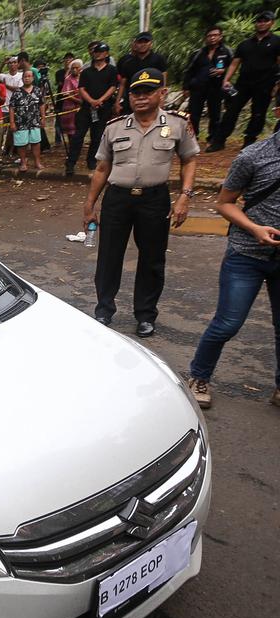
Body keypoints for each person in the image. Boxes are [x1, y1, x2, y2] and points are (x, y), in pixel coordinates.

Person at [82, 68, 198, 337]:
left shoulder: (178, 124)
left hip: (155, 199)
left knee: (152, 260)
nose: (141, 97)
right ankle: (104, 310)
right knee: (109, 256)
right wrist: (90, 204)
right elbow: (101, 168)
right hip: (117, 198)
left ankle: (145, 315)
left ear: (162, 93)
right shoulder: (115, 127)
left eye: (148, 91)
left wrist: (185, 196)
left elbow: (190, 160)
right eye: (136, 92)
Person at [186, 100, 280, 409]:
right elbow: (223, 203)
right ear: (277, 111)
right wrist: (255, 228)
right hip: (247, 254)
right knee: (228, 323)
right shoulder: (254, 156)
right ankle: (199, 375)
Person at [208, 11, 280, 152]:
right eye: (259, 21)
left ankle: (249, 141)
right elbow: (235, 63)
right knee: (231, 111)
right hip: (243, 84)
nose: (262, 23)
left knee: (258, 113)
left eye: (265, 21)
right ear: (256, 23)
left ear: (271, 23)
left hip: (265, 84)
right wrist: (226, 79)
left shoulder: (276, 42)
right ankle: (219, 141)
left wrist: (278, 84)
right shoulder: (245, 44)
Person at [66, 42, 120, 177]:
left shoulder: (112, 70)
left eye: (101, 51)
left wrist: (101, 100)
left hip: (103, 108)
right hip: (86, 108)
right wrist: (91, 101)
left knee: (97, 136)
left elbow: (113, 87)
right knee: (78, 136)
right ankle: (70, 163)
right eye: (96, 52)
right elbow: (81, 89)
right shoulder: (87, 72)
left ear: (106, 53)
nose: (98, 54)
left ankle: (91, 161)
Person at [184, 26, 232, 140]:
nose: (212, 38)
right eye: (210, 36)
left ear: (220, 36)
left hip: (216, 87)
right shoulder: (198, 53)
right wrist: (185, 87)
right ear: (205, 38)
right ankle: (193, 137)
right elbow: (189, 70)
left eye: (215, 35)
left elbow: (233, 66)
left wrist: (223, 71)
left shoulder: (226, 52)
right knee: (193, 114)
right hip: (198, 87)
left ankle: (213, 138)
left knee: (215, 114)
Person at [116, 31, 167, 115]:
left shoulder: (158, 59)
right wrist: (117, 102)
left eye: (146, 42)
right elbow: (122, 84)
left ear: (151, 44)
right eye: (140, 42)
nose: (143, 44)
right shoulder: (128, 63)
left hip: (152, 97)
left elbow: (163, 80)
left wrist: (162, 99)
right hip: (133, 99)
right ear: (135, 44)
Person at [10, 69, 47, 171]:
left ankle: (37, 162)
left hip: (35, 121)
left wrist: (43, 117)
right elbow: (12, 107)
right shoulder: (17, 92)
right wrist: (12, 122)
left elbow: (42, 104)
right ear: (22, 78)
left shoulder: (37, 90)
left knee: (36, 142)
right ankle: (23, 162)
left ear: (33, 78)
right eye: (25, 76)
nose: (27, 78)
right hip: (20, 121)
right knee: (21, 143)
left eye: (29, 76)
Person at [58, 59, 84, 146]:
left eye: (77, 68)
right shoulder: (68, 79)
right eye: (73, 68)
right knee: (71, 129)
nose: (75, 70)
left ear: (81, 68)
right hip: (71, 106)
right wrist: (78, 101)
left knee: (81, 126)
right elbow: (66, 93)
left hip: (83, 105)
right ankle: (72, 146)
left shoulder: (84, 77)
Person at [54, 53, 76, 145]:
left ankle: (74, 139)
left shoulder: (77, 72)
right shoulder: (59, 73)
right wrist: (68, 71)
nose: (68, 61)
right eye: (66, 59)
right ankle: (58, 139)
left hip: (74, 100)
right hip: (61, 99)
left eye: (70, 59)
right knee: (58, 119)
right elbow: (62, 83)